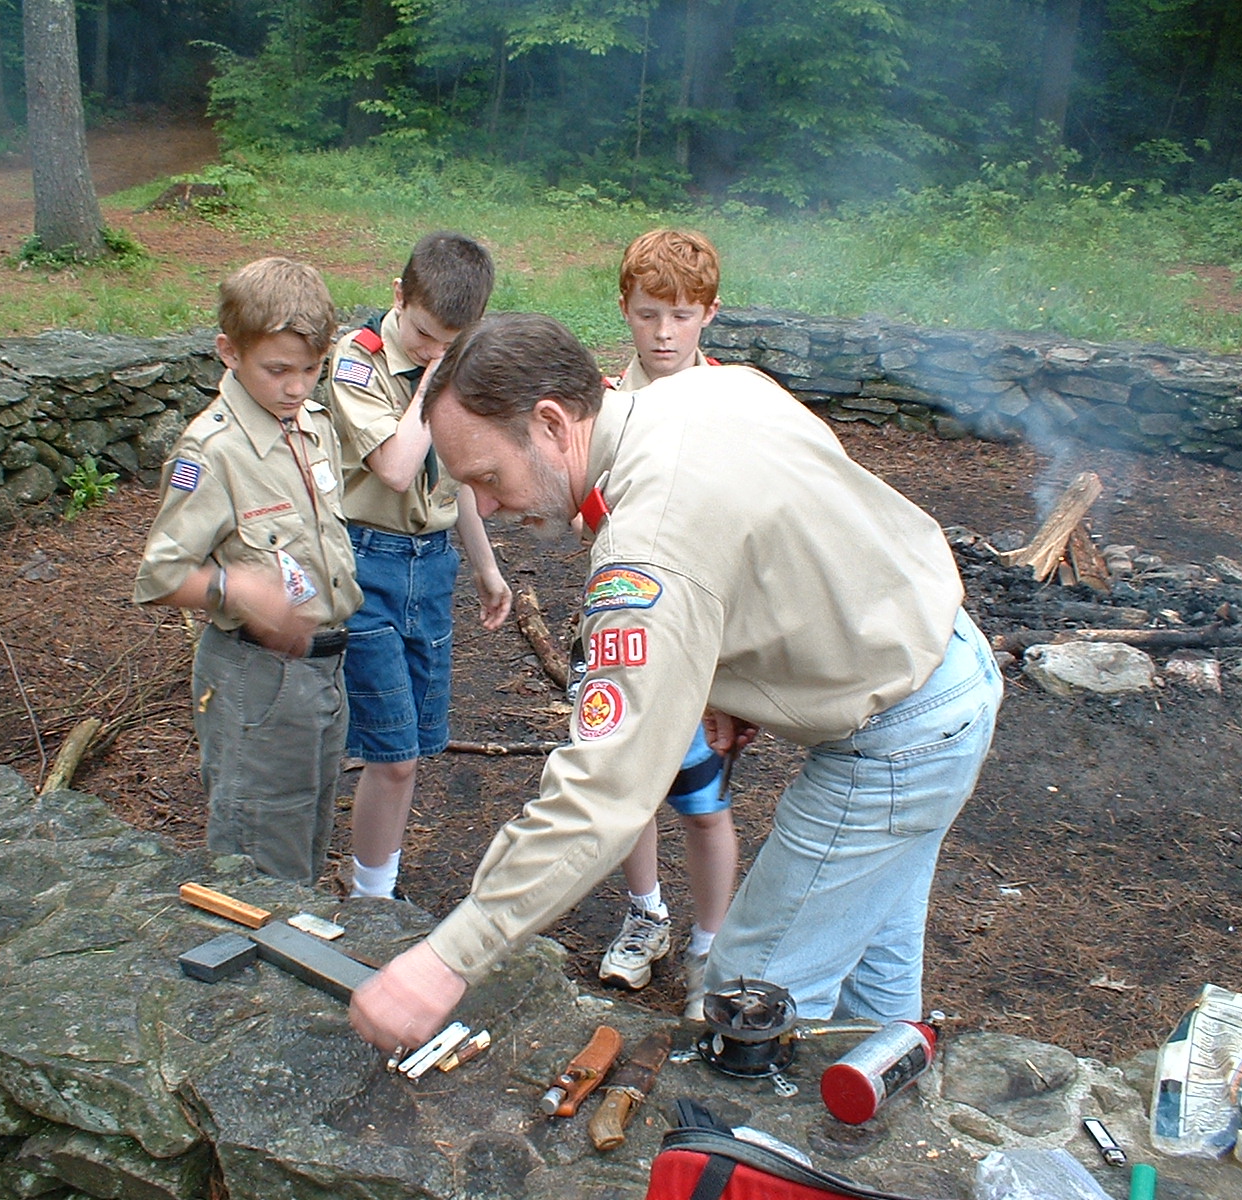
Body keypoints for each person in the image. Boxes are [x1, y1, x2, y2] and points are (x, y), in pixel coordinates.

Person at [348, 312, 1002, 1053]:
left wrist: (447, 959)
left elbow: (607, 790)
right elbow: (803, 513)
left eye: (488, 478)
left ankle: (766, 1127)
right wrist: (734, 671)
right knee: (874, 990)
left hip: (896, 743)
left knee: (746, 1007)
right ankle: (884, 1104)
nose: (487, 509)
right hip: (951, 663)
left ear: (553, 423)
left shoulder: (648, 547)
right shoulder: (711, 389)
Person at [133, 256, 361, 884]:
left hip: (324, 668)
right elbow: (159, 575)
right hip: (256, 678)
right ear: (229, 352)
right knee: (261, 857)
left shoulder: (313, 427)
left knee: (307, 838)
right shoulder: (213, 451)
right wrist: (237, 587)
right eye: (278, 370)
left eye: (311, 369)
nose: (297, 387)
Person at [327, 231, 512, 901]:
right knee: (394, 752)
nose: (434, 351)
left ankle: (376, 879)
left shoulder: (451, 363)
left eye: (450, 343)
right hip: (367, 565)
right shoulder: (358, 361)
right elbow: (399, 468)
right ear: (398, 296)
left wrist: (486, 568)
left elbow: (451, 478)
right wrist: (438, 381)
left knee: (414, 747)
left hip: (431, 569)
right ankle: (370, 895)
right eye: (425, 335)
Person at [591, 229, 733, 1020]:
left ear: (709, 312)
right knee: (632, 790)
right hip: (626, 629)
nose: (665, 333)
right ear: (625, 308)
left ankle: (713, 945)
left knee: (705, 802)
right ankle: (646, 915)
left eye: (681, 315)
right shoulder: (608, 406)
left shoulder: (735, 404)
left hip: (705, 637)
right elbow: (587, 511)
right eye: (649, 314)